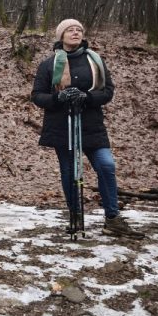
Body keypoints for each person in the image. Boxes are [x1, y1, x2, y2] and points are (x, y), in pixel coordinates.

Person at [31, 19, 143, 239]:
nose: (76, 33)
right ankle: (75, 215)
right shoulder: (48, 64)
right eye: (70, 30)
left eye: (79, 30)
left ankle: (113, 219)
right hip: (62, 128)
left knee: (106, 165)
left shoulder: (95, 61)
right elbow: (37, 96)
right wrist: (59, 97)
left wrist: (87, 96)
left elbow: (108, 91)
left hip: (92, 126)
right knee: (70, 172)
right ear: (60, 36)